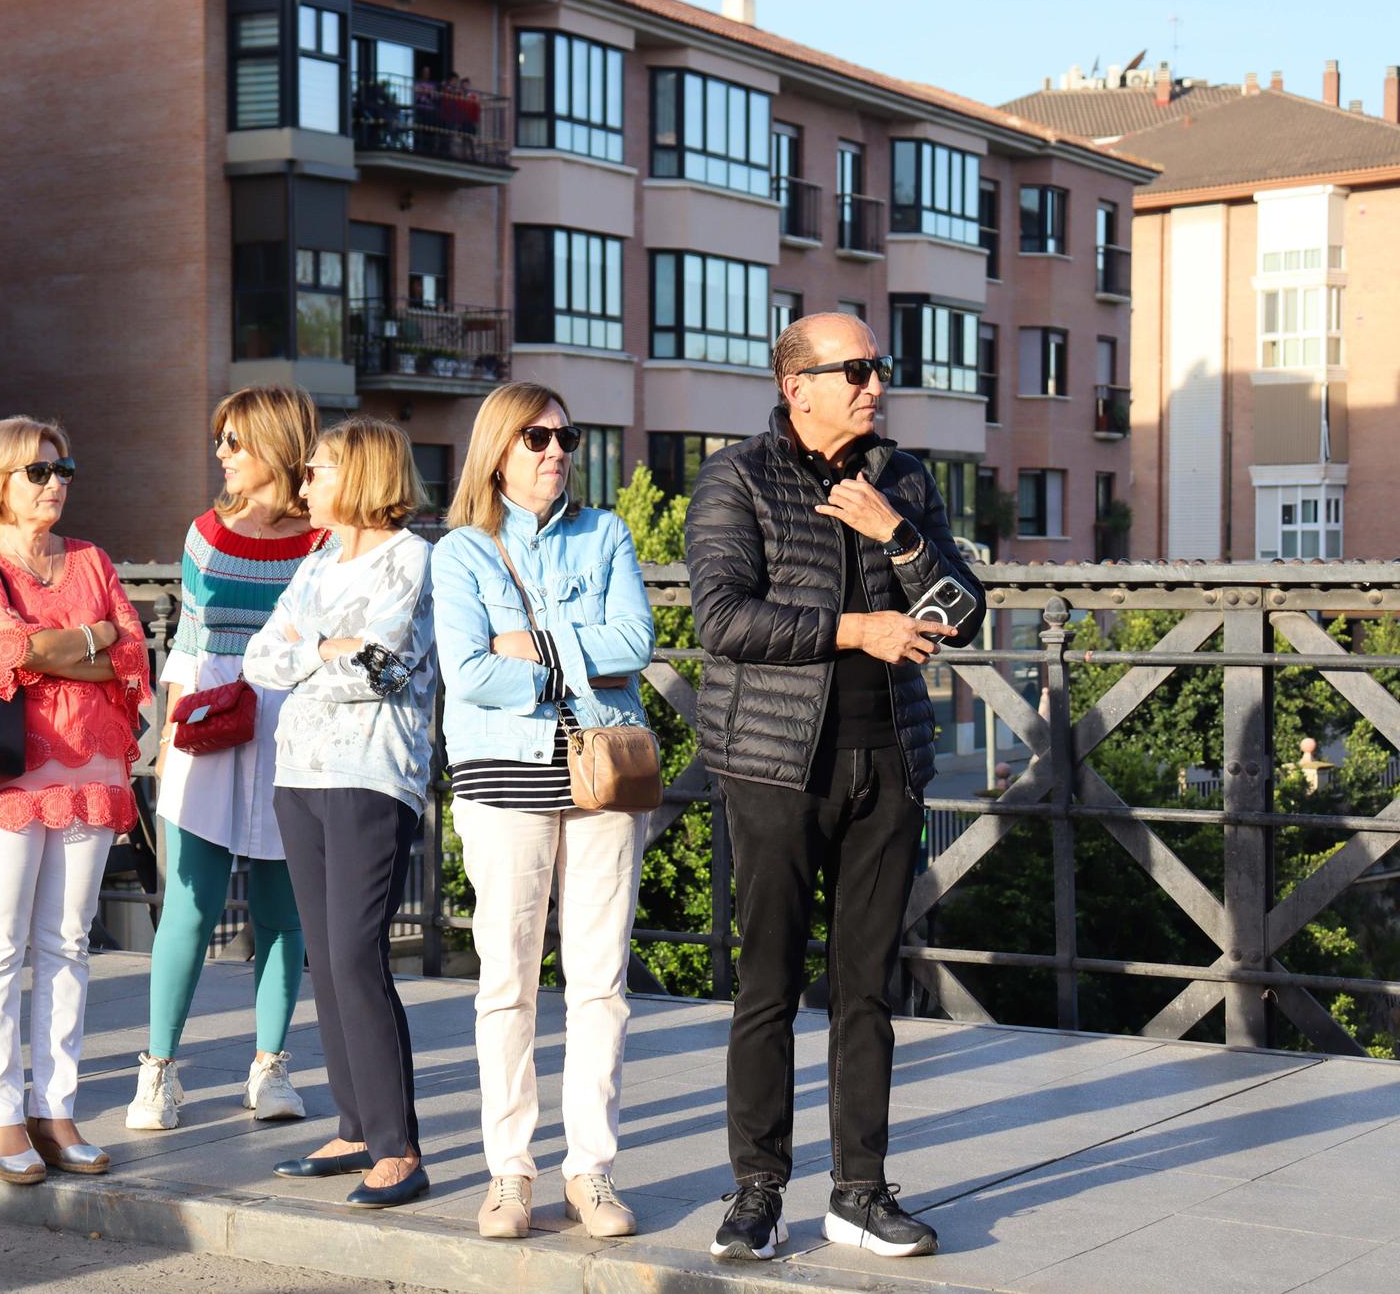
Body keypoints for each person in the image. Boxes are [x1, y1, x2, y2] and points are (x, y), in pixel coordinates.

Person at [687, 313, 981, 1263]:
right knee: (766, 984)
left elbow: (965, 608)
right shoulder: (737, 477)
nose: (873, 383)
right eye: (853, 369)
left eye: (877, 366)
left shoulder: (901, 478)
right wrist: (860, 629)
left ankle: (859, 1191)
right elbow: (725, 619)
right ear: (796, 384)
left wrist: (898, 535)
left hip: (887, 761)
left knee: (869, 986)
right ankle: (756, 1192)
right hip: (776, 766)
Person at [431, 382, 655, 1242]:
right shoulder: (460, 552)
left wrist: (534, 648)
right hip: (503, 775)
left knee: (600, 980)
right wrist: (574, 656)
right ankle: (509, 1171)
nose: (557, 450)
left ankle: (589, 1170)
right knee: (507, 981)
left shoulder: (606, 533)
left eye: (567, 435)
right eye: (536, 437)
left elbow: (635, 641)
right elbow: (468, 673)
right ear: (498, 449)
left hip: (602, 773)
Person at [0, 416, 149, 1184]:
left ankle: (54, 1106)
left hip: (92, 770)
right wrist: (87, 642)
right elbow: (2, 647)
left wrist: (77, 646)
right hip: (5, 772)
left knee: (67, 944)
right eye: (38, 471)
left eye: (64, 469)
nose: (56, 482)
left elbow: (132, 657)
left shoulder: (91, 557)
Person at [245, 417, 437, 1209]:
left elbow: (385, 666)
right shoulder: (318, 558)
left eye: (317, 470)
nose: (304, 486)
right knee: (325, 955)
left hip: (373, 773)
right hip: (299, 771)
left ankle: (399, 1147)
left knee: (357, 952)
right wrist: (329, 644)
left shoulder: (413, 558)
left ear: (357, 476)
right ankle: (355, 1124)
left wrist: (314, 648)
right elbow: (261, 658)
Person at [129, 386, 326, 1133]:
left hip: (290, 721)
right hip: (208, 721)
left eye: (234, 440)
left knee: (283, 910)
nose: (221, 453)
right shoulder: (204, 533)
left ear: (275, 444)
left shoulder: (323, 538)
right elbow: (184, 637)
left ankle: (270, 1066)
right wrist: (162, 739)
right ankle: (158, 1071)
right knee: (189, 903)